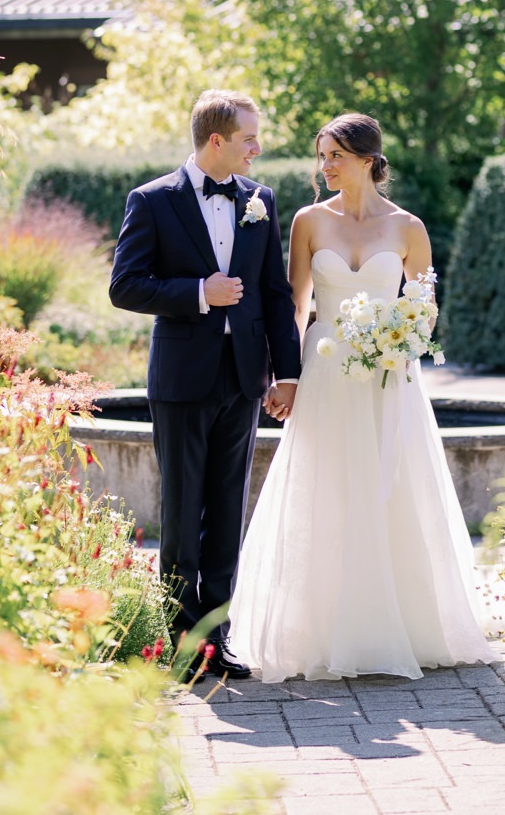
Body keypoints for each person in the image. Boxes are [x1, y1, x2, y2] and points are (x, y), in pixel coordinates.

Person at [229, 112, 496, 682]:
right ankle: (321, 629)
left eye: (335, 157)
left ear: (369, 161)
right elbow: (295, 306)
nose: (324, 167)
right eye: (321, 155)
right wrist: (287, 376)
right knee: (325, 485)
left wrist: (396, 341)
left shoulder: (408, 227)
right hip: (324, 372)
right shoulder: (307, 221)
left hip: (386, 374)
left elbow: (423, 309)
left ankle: (402, 624)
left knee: (391, 485)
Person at [109, 90, 300, 680]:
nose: (257, 148)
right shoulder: (153, 200)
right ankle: (177, 639)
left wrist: (287, 374)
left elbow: (274, 293)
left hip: (243, 377)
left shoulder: (259, 201)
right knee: (183, 505)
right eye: (249, 138)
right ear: (216, 140)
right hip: (182, 377)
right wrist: (198, 293)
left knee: (226, 508)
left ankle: (218, 638)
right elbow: (126, 286)